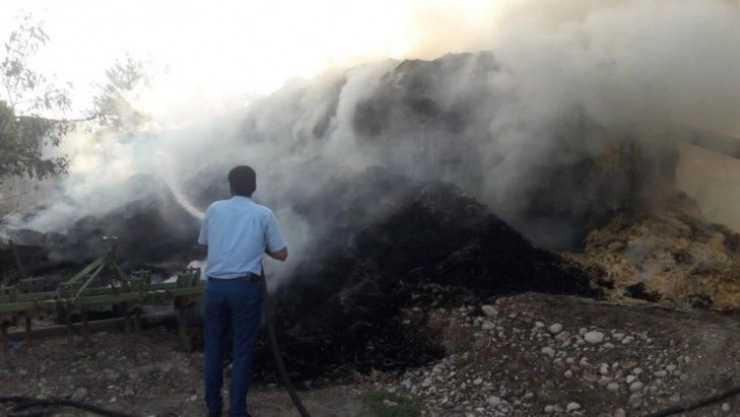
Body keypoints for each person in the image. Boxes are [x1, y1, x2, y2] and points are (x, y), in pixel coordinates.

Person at [197, 165, 288, 417]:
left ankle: (213, 407)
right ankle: (237, 410)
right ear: (254, 187)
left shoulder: (214, 209)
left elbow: (204, 246)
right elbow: (282, 254)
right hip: (244, 290)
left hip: (215, 288)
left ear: (230, 186)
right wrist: (261, 246)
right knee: (242, 350)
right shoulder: (263, 214)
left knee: (213, 348)